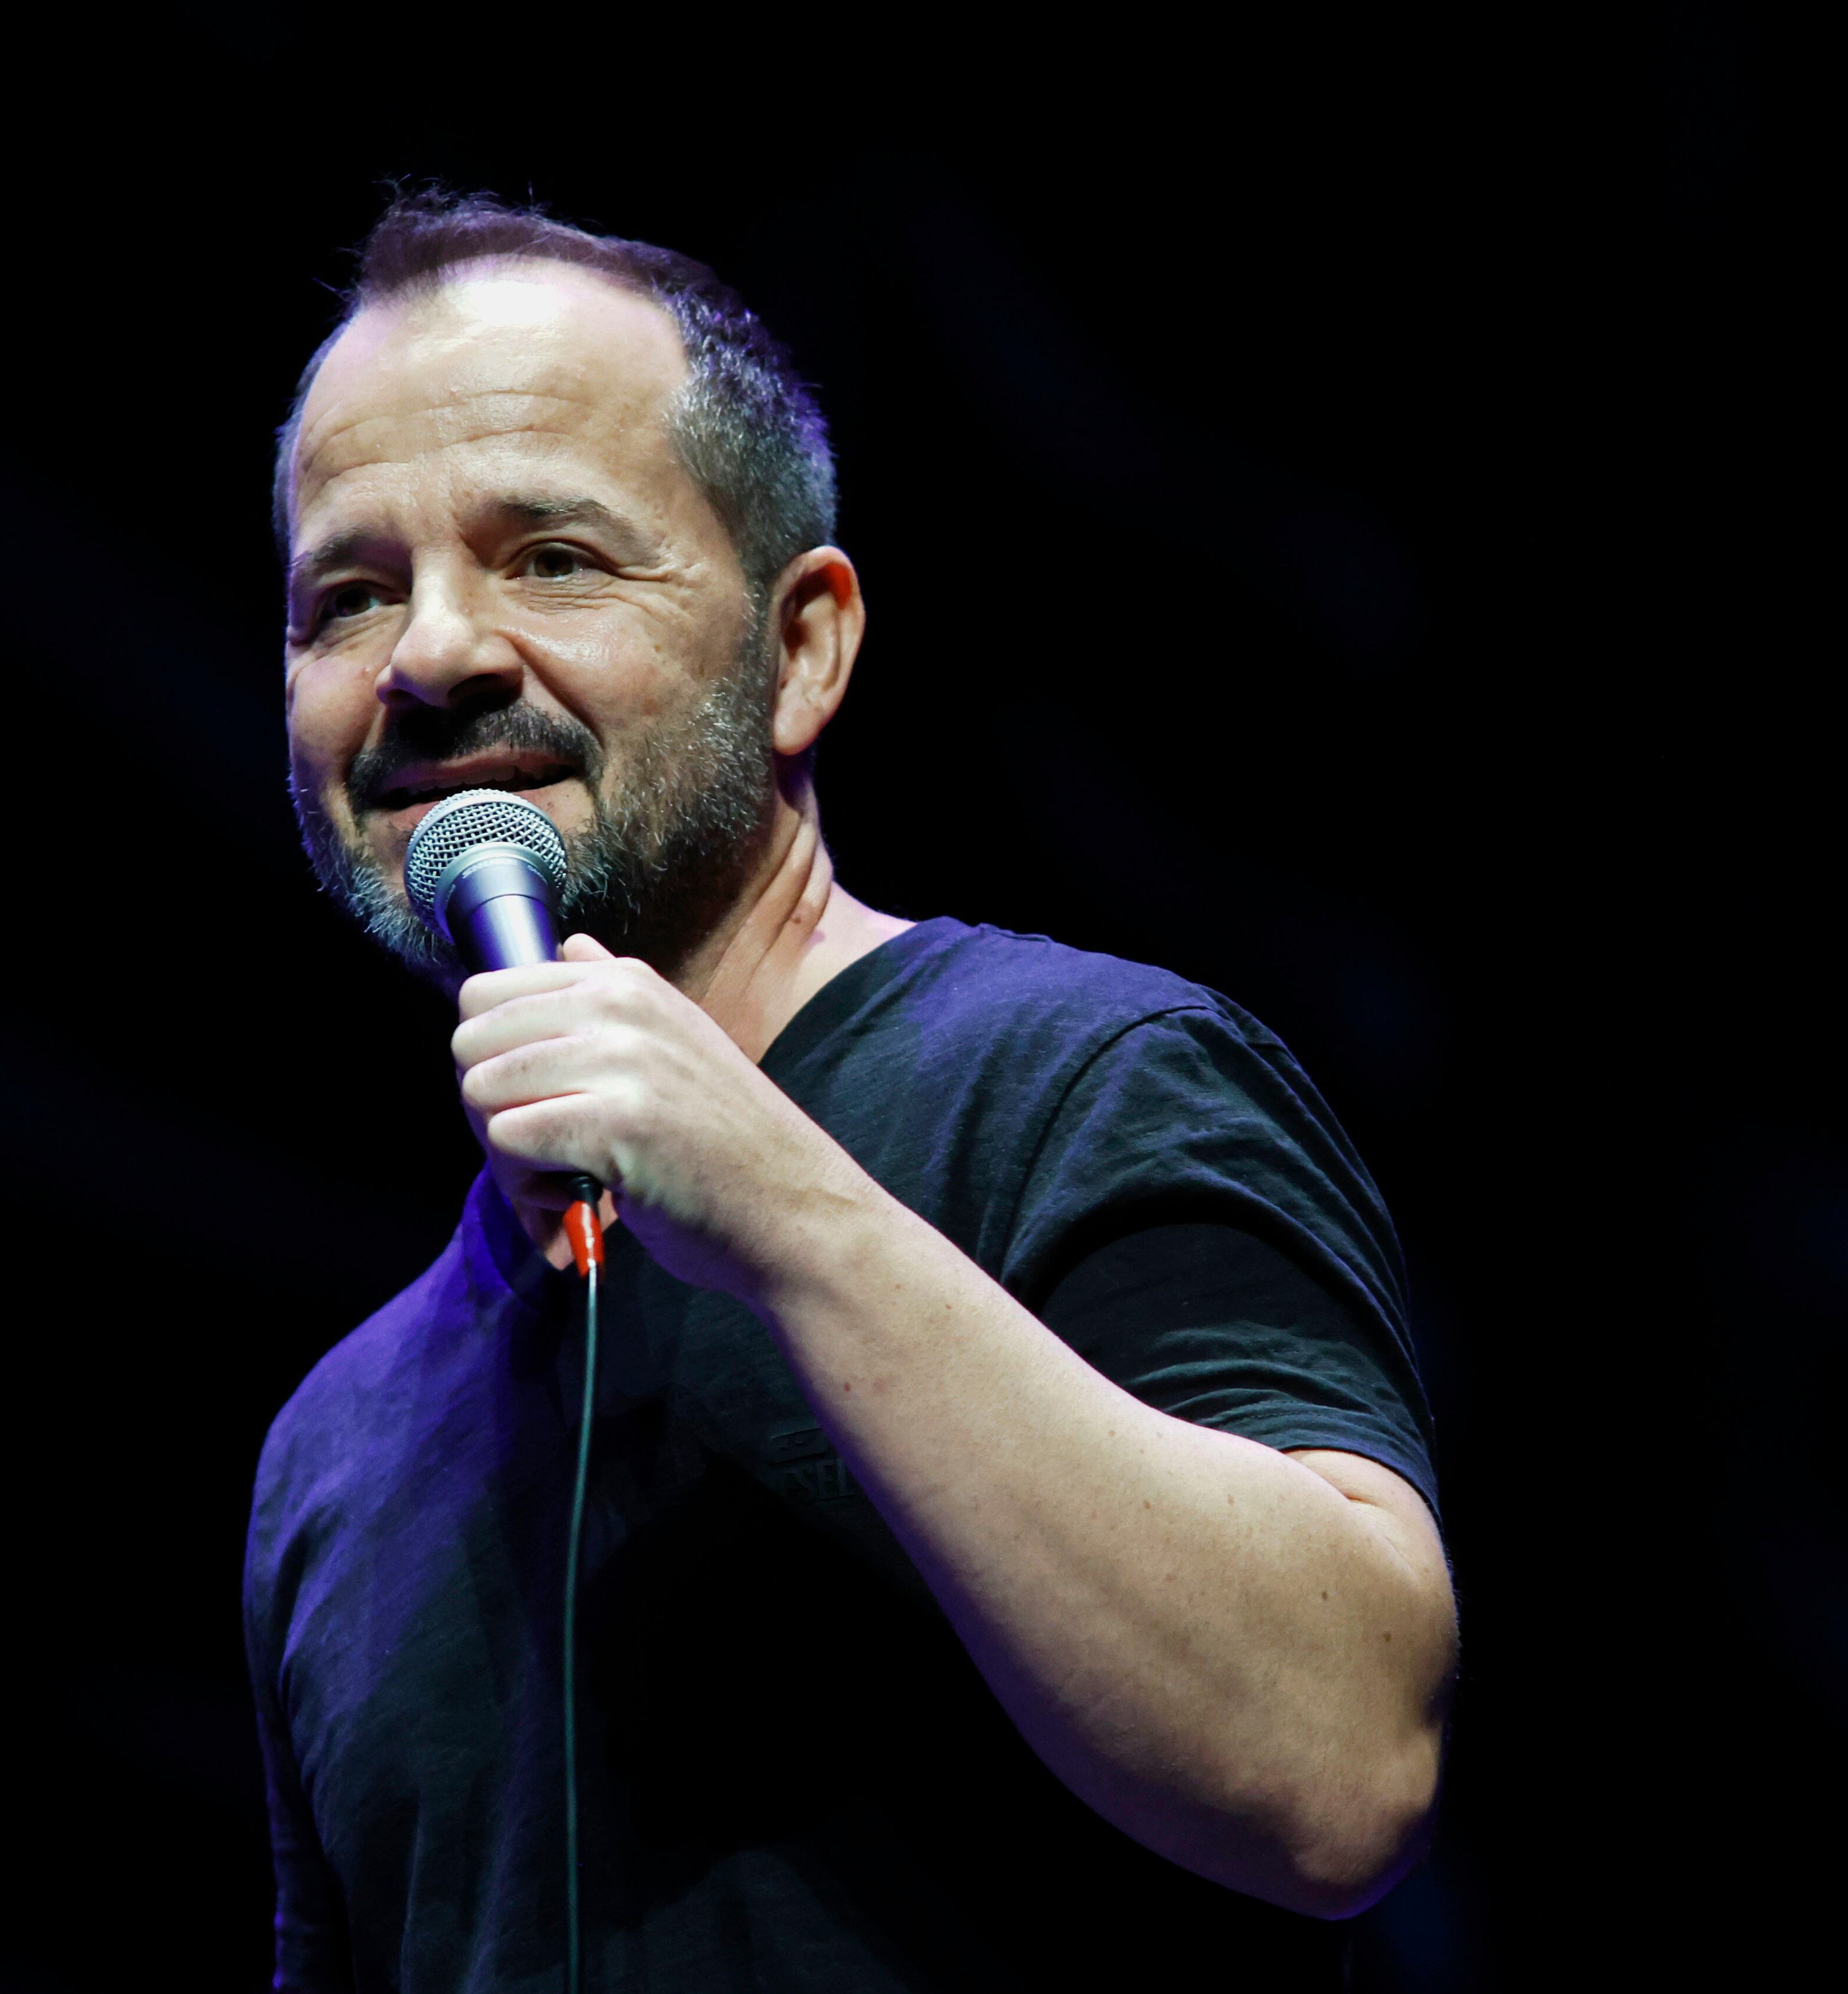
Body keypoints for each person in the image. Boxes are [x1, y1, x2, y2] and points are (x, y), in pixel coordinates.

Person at [246, 191, 1455, 1992]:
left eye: (552, 557)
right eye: (350, 592)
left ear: (804, 647)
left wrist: (786, 1210)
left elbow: (1341, 1767)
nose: (430, 654)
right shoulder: (335, 1448)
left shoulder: (1084, 1083)